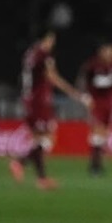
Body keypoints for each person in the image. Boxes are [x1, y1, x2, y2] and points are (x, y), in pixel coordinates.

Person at [9, 29, 88, 190]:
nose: (52, 44)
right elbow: (52, 77)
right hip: (38, 101)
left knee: (40, 138)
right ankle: (21, 163)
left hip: (29, 99)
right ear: (45, 40)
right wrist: (74, 93)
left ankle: (39, 177)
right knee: (47, 138)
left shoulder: (30, 53)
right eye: (51, 40)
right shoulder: (44, 55)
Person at [75, 39, 112, 176]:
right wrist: (83, 96)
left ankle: (97, 162)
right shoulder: (92, 65)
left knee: (105, 133)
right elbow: (81, 80)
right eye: (107, 51)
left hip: (110, 102)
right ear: (101, 52)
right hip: (95, 102)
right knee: (97, 131)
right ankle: (95, 165)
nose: (110, 54)